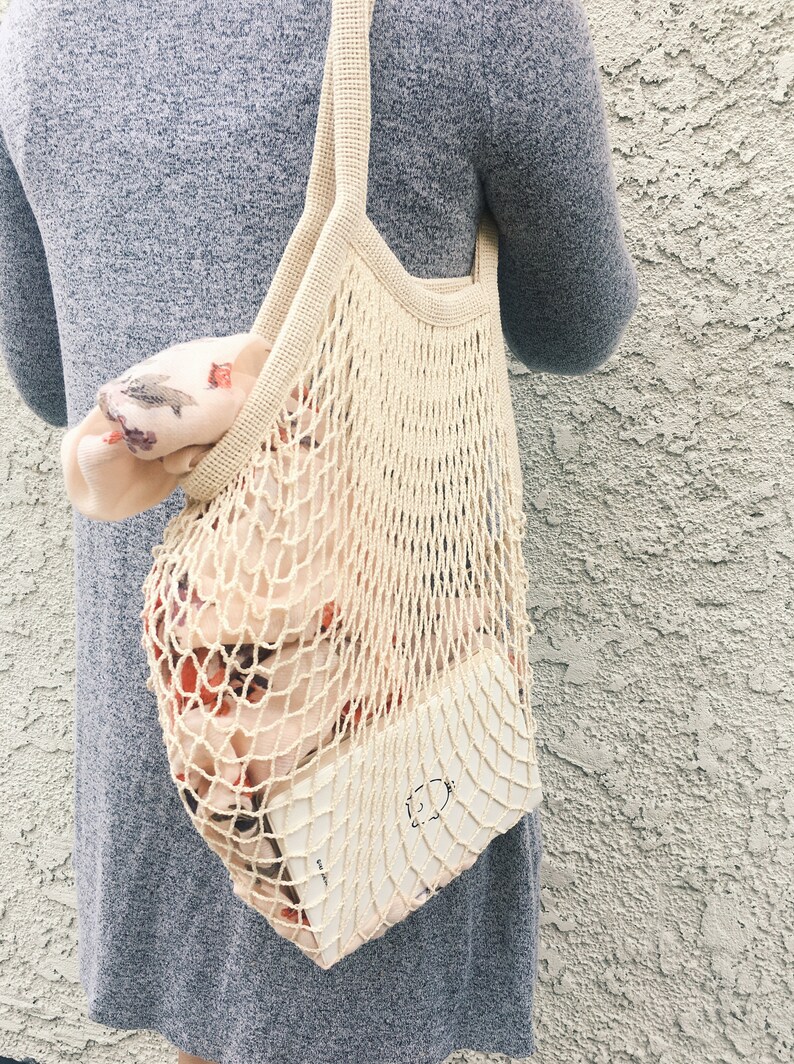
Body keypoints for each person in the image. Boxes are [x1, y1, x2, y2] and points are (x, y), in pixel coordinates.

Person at [0, 0, 639, 1062]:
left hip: (177, 721)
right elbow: (574, 324)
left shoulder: (33, 28)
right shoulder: (478, 14)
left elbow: (46, 371)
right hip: (368, 710)